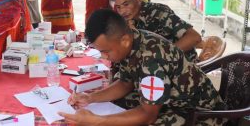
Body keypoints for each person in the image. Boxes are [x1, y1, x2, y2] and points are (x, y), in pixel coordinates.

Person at [59, 9, 226, 125]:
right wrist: (91, 98)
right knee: (119, 103)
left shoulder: (151, 60)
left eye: (105, 51)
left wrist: (97, 121)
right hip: (171, 101)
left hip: (198, 114)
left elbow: (148, 116)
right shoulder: (132, 41)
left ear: (123, 40)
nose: (103, 57)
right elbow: (125, 83)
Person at [110, 0, 201, 63]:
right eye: (118, 7)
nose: (122, 11)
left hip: (183, 68)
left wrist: (161, 56)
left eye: (126, 4)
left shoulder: (159, 13)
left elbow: (194, 37)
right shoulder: (129, 21)